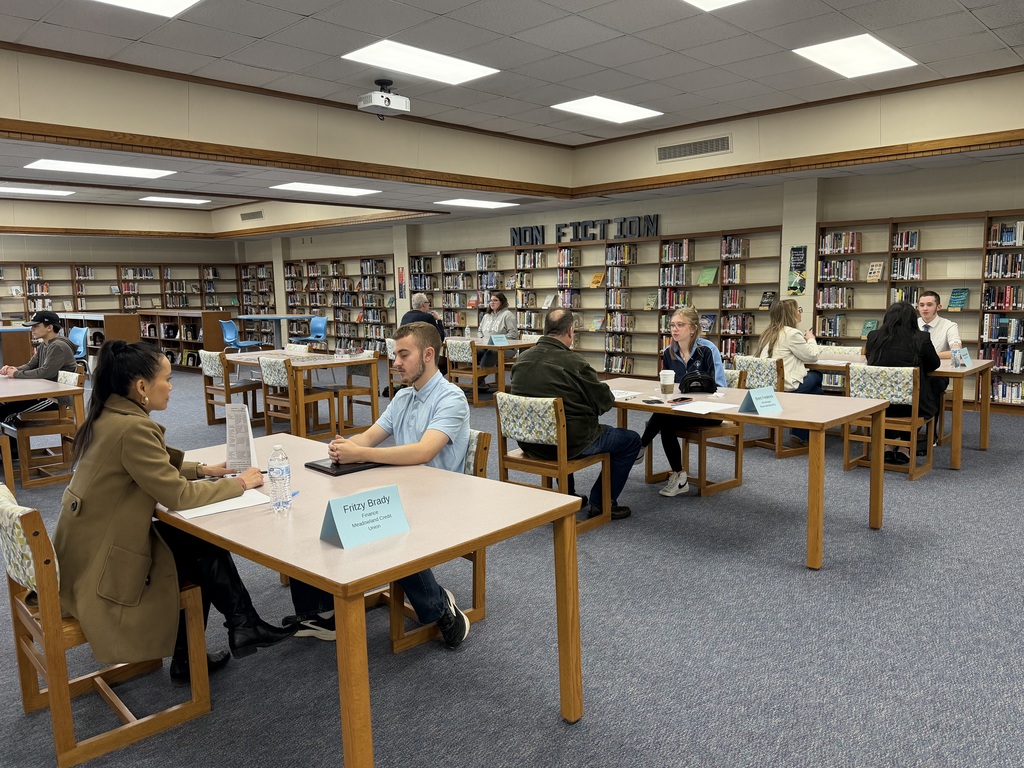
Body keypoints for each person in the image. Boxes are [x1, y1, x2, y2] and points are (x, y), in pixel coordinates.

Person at [52, 341, 294, 685]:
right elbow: (178, 495)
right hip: (103, 567)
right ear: (141, 387)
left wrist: (205, 470)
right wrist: (239, 483)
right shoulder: (132, 428)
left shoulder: (112, 414)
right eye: (166, 378)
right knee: (196, 547)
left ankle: (220, 637)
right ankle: (239, 626)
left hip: (86, 551)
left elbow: (156, 464)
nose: (172, 385)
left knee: (192, 544)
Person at [285, 321, 471, 649]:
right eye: (394, 354)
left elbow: (423, 451)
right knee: (320, 509)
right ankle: (319, 613)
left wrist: (362, 452)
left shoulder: (451, 398)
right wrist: (345, 447)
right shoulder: (402, 398)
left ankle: (441, 607)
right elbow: (371, 436)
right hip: (404, 486)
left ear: (428, 355)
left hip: (440, 496)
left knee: (382, 524)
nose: (396, 362)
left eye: (404, 354)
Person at [511, 308, 641, 519]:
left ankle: (567, 495)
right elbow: (605, 402)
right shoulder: (574, 362)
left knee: (560, 426)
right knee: (631, 441)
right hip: (570, 443)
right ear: (571, 331)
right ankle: (602, 502)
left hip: (530, 443)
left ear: (545, 330)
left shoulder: (521, 360)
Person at [638, 306, 727, 497]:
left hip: (708, 412)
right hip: (681, 409)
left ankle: (640, 447)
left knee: (665, 418)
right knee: (666, 417)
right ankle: (679, 476)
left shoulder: (708, 350)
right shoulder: (669, 352)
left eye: (680, 325)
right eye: (672, 325)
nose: (675, 329)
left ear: (693, 328)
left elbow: (721, 387)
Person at [864, 301, 942, 464]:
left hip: (877, 405)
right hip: (911, 406)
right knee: (929, 391)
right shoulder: (921, 338)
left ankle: (887, 446)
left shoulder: (873, 336)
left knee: (890, 397)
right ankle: (904, 448)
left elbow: (869, 360)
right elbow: (934, 364)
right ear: (912, 320)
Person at [754, 299, 823, 445]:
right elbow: (812, 356)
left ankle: (799, 435)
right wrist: (811, 340)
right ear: (791, 314)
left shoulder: (767, 333)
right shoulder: (792, 333)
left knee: (815, 393)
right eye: (798, 309)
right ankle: (800, 434)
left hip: (764, 389)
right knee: (817, 377)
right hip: (783, 387)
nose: (800, 312)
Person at [0, 310, 79, 423]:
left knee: (4, 412)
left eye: (35, 326)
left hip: (55, 400)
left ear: (49, 327)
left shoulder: (58, 346)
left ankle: (14, 439)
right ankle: (15, 438)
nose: (32, 330)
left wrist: (16, 374)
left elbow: (44, 372)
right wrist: (13, 369)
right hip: (43, 394)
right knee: (4, 407)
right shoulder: (44, 345)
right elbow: (31, 365)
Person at [917, 290, 960, 449]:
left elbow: (956, 351)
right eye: (921, 305)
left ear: (938, 306)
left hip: (937, 374)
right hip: (915, 373)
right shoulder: (912, 324)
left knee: (931, 386)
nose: (925, 309)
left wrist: (932, 355)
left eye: (929, 304)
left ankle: (930, 431)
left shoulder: (949, 325)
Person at [476, 291, 518, 390]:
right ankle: (480, 382)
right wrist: (483, 339)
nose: (492, 303)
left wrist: (497, 340)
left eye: (495, 300)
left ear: (502, 302)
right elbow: (479, 331)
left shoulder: (508, 315)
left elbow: (513, 334)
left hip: (505, 348)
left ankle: (476, 381)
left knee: (492, 353)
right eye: (491, 300)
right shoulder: (486, 316)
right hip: (485, 346)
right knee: (475, 351)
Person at [400, 292, 447, 377]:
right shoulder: (427, 317)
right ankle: (427, 383)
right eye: (428, 303)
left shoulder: (405, 316)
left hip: (405, 356)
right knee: (447, 363)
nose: (429, 305)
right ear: (423, 304)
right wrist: (439, 320)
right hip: (420, 357)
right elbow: (440, 338)